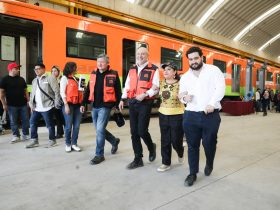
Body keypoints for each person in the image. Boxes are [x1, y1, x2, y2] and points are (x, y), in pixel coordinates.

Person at [179, 46, 225, 186]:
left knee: (209, 143)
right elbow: (181, 95)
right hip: (191, 115)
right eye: (190, 59)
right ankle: (192, 173)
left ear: (201, 57)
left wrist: (212, 103)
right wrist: (184, 98)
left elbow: (220, 88)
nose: (193, 61)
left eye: (196, 58)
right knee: (192, 146)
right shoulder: (185, 77)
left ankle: (209, 163)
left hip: (210, 115)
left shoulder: (213, 70)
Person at [119, 47, 159, 169]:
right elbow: (126, 85)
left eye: (143, 54)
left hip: (145, 102)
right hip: (132, 101)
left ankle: (151, 147)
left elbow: (156, 87)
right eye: (138, 54)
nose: (140, 56)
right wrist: (122, 99)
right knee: (134, 132)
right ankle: (138, 158)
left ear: (147, 55)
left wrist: (146, 94)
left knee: (142, 130)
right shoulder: (132, 69)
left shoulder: (154, 69)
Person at [81, 54, 121, 164]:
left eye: (102, 62)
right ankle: (114, 140)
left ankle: (99, 154)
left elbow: (118, 91)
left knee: (99, 130)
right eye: (98, 62)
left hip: (106, 106)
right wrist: (83, 103)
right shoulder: (93, 73)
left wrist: (117, 105)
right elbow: (88, 90)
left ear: (107, 63)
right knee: (99, 129)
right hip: (95, 106)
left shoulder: (113, 74)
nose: (99, 64)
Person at [157, 63, 185, 172]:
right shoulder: (160, 83)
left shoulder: (181, 84)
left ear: (174, 72)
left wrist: (183, 97)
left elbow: (185, 97)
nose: (166, 71)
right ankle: (165, 162)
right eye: (164, 69)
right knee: (165, 140)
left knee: (176, 140)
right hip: (163, 114)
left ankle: (180, 151)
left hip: (177, 115)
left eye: (169, 69)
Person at [26, 63, 60, 148]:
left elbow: (56, 91)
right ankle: (34, 140)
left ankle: (52, 140)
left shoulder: (50, 78)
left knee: (49, 125)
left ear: (44, 69)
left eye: (38, 69)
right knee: (32, 123)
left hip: (47, 106)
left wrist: (56, 103)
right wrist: (31, 104)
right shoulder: (34, 80)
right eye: (35, 69)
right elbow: (32, 94)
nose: (36, 70)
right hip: (37, 108)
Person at [0, 62, 30, 143]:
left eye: (18, 68)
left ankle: (25, 135)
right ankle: (16, 136)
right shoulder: (4, 79)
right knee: (13, 121)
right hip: (11, 105)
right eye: (16, 68)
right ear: (10, 69)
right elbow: (1, 93)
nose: (18, 70)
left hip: (23, 104)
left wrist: (28, 101)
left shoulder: (21, 79)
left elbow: (25, 91)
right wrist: (4, 104)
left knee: (25, 120)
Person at [60, 62, 83, 152]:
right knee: (68, 126)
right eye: (75, 67)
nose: (76, 69)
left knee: (76, 126)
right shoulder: (64, 78)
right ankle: (68, 143)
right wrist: (66, 105)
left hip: (77, 105)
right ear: (70, 68)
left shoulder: (77, 79)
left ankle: (74, 143)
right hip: (68, 105)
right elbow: (62, 92)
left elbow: (81, 92)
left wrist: (82, 87)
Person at [51, 65, 65, 138]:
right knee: (58, 118)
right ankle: (60, 133)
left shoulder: (62, 79)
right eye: (52, 71)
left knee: (64, 118)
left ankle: (67, 132)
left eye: (55, 71)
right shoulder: (50, 80)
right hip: (55, 102)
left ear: (58, 72)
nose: (53, 72)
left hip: (62, 101)